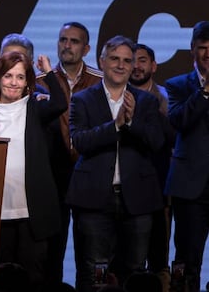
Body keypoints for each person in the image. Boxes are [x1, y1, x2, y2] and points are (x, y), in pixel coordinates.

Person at [66, 35, 164, 291]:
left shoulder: (147, 102)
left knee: (134, 272)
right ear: (101, 61)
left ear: (133, 66)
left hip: (137, 200)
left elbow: (156, 142)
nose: (121, 65)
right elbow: (80, 141)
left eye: (127, 61)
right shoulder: (83, 99)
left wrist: (131, 123)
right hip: (94, 199)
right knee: (93, 273)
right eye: (115, 59)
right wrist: (116, 125)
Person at [0, 51, 67, 290]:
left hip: (32, 210)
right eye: (8, 76)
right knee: (0, 274)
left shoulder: (34, 107)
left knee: (32, 275)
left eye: (20, 77)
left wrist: (49, 72)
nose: (13, 82)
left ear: (27, 82)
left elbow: (61, 103)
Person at [36, 21, 103, 288]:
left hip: (90, 173)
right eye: (63, 40)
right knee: (53, 248)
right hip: (54, 175)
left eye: (74, 41)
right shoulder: (42, 81)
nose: (67, 45)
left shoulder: (100, 80)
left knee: (89, 251)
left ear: (86, 48)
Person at [164, 20, 209, 292]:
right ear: (192, 49)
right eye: (203, 48)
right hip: (191, 189)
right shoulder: (178, 85)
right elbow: (178, 121)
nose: (208, 54)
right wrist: (205, 91)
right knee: (186, 260)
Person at [129, 43, 175, 292]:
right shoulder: (114, 98)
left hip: (160, 187)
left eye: (142, 60)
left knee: (159, 255)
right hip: (125, 185)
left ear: (154, 66)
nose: (136, 66)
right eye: (132, 60)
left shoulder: (168, 99)